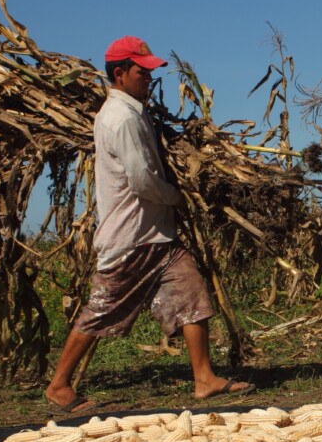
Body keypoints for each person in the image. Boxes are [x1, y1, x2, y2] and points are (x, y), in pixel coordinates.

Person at [45, 36, 254, 413]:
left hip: (156, 235)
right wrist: (178, 197)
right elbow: (141, 180)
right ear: (120, 73)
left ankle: (204, 379)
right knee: (102, 309)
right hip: (130, 236)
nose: (149, 78)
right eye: (143, 72)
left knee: (191, 295)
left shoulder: (135, 110)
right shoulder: (121, 117)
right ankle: (59, 386)